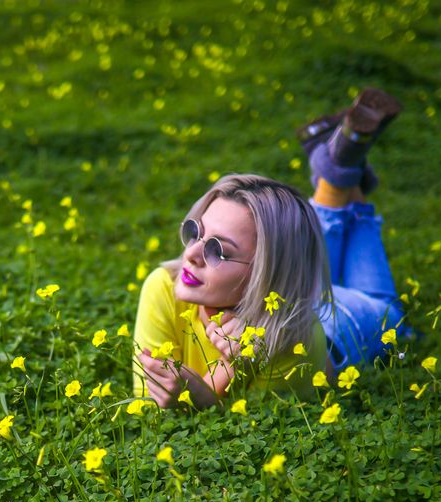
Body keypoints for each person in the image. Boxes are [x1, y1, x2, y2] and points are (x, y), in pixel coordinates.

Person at [132, 87, 409, 409]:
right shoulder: (164, 285)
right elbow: (146, 402)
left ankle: (342, 175)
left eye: (218, 251)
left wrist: (208, 392)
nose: (191, 255)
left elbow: (260, 426)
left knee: (390, 311)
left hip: (346, 322)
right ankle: (340, 170)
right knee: (296, 243)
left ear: (267, 271)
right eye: (196, 232)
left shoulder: (292, 344)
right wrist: (231, 367)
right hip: (295, 292)